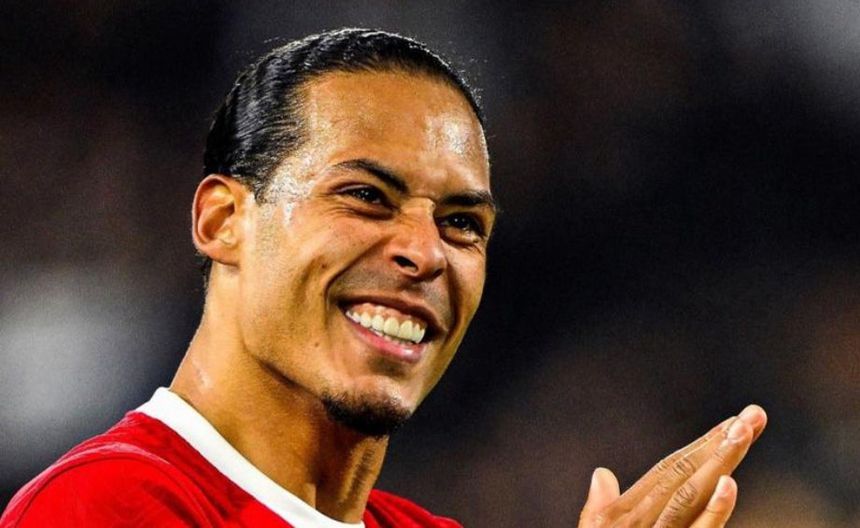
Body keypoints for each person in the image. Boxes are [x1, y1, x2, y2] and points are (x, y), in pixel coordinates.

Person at [0, 28, 767, 527]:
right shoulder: (105, 505)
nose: (426, 252)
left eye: (462, 223)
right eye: (366, 196)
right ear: (224, 220)